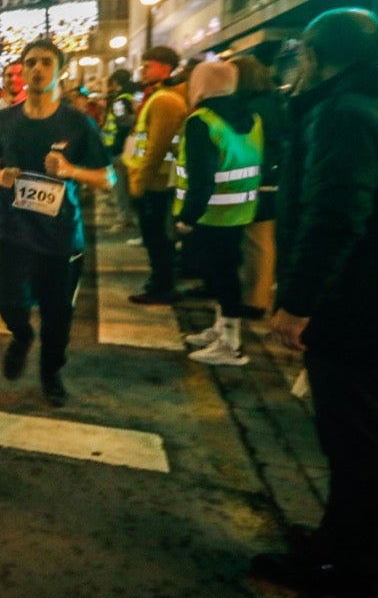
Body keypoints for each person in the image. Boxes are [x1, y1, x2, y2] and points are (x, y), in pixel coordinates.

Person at [255, 8, 378, 598]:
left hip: (360, 305)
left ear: (312, 54)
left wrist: (297, 303)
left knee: (357, 440)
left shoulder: (346, 113)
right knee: (376, 434)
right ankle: (350, 542)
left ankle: (351, 563)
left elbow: (336, 215)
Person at [0, 39, 113, 405]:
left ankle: (51, 371)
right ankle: (21, 336)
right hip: (10, 230)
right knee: (10, 304)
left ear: (60, 71)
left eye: (47, 62)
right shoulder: (2, 120)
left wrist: (70, 170)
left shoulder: (77, 123)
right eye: (31, 62)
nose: (38, 69)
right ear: (22, 70)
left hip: (60, 236)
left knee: (57, 314)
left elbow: (108, 177)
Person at [172, 61, 262, 366]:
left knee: (222, 276)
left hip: (211, 213)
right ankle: (221, 328)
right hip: (240, 208)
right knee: (226, 273)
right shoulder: (250, 117)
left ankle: (230, 344)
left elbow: (202, 176)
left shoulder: (202, 120)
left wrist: (187, 217)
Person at [123, 45, 189, 304]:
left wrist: (140, 182)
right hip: (154, 180)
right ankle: (159, 282)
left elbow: (156, 147)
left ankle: (162, 286)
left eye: (148, 66)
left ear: (165, 68)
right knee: (156, 237)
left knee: (157, 238)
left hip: (157, 183)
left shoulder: (164, 100)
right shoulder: (158, 96)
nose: (143, 70)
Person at [230, 50, 287, 318]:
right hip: (267, 177)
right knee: (259, 239)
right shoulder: (271, 101)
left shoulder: (255, 107)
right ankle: (255, 295)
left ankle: (255, 300)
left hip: (260, 179)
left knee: (258, 240)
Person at [102, 70, 138, 233]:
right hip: (128, 148)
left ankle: (124, 220)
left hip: (117, 149)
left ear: (116, 82)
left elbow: (122, 124)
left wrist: (117, 146)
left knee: (119, 186)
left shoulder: (119, 102)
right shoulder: (133, 97)